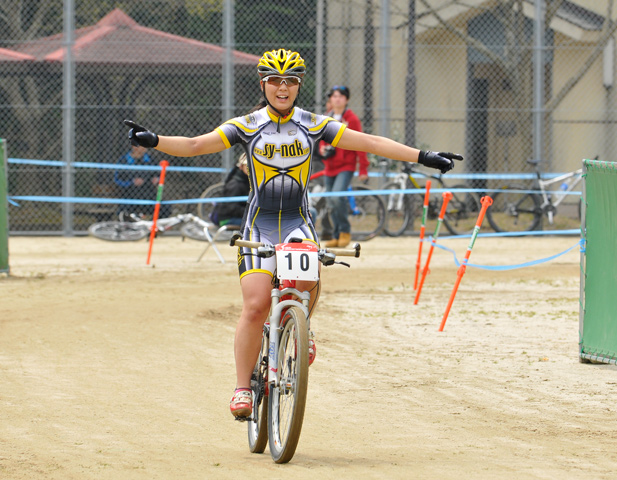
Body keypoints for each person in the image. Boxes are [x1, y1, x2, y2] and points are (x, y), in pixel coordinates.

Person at [123, 48, 461, 419]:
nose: (282, 88)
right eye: (275, 81)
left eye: (291, 82)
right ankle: (241, 387)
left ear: (298, 86)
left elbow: (371, 143)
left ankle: (303, 327)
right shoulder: (247, 124)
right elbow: (195, 145)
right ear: (263, 84)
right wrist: (154, 140)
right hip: (259, 223)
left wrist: (423, 156)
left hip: (298, 221)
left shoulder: (312, 123)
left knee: (305, 282)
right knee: (254, 306)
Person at [317, 85, 369, 247]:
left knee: (337, 197)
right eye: (334, 96)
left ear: (346, 99)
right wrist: (322, 148)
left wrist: (363, 167)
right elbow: (322, 140)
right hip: (330, 165)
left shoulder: (352, 119)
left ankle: (345, 231)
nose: (337, 99)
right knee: (331, 202)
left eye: (340, 96)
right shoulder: (328, 117)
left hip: (346, 165)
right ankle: (336, 234)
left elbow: (361, 143)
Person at [114, 144, 162, 216]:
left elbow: (158, 174)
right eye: (142, 145)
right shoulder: (124, 160)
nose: (145, 147)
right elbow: (117, 179)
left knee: (163, 208)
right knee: (125, 209)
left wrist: (157, 179)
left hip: (148, 192)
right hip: (129, 193)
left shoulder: (151, 159)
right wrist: (132, 182)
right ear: (134, 146)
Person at [209, 153, 250, 227]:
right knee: (254, 224)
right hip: (226, 219)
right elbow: (231, 207)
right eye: (247, 166)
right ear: (241, 166)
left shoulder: (247, 181)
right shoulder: (235, 184)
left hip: (237, 216)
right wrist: (249, 212)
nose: (250, 168)